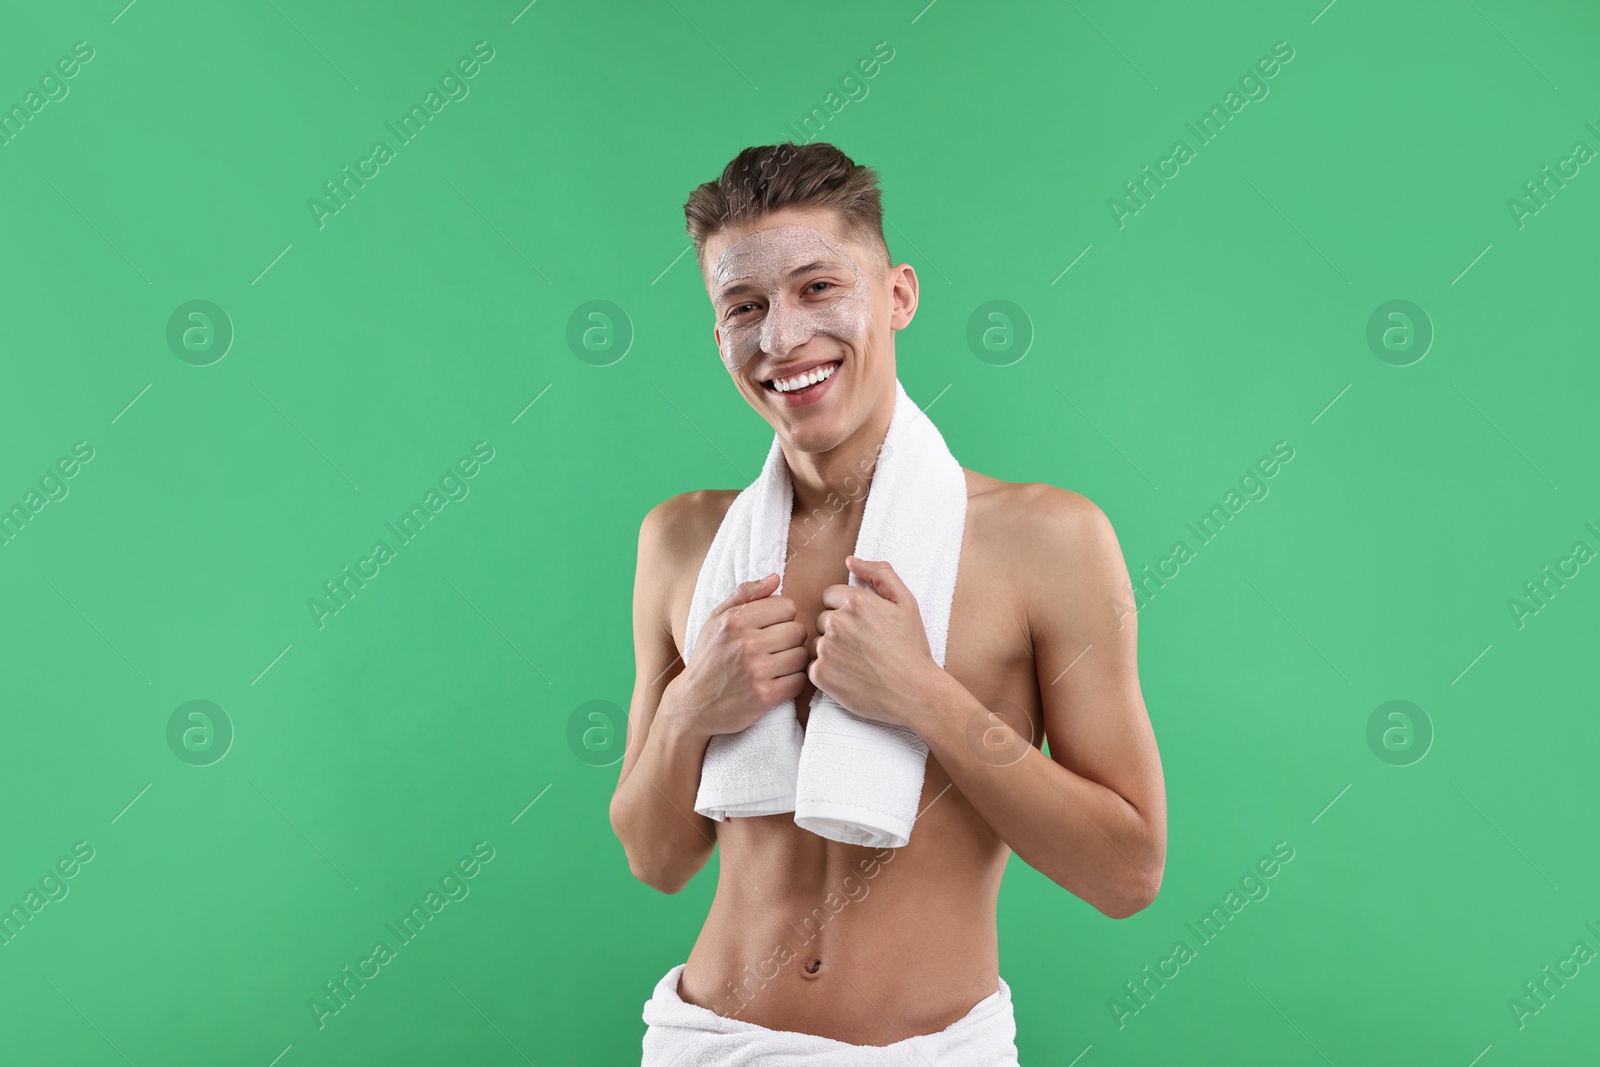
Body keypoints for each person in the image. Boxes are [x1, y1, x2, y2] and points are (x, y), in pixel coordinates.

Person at [611, 140, 1167, 1062]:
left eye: (819, 287)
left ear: (899, 294)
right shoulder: (682, 543)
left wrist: (925, 696)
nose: (781, 338)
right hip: (709, 1040)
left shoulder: (1048, 539)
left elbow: (1127, 871)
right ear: (719, 337)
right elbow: (655, 858)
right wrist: (689, 709)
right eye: (742, 307)